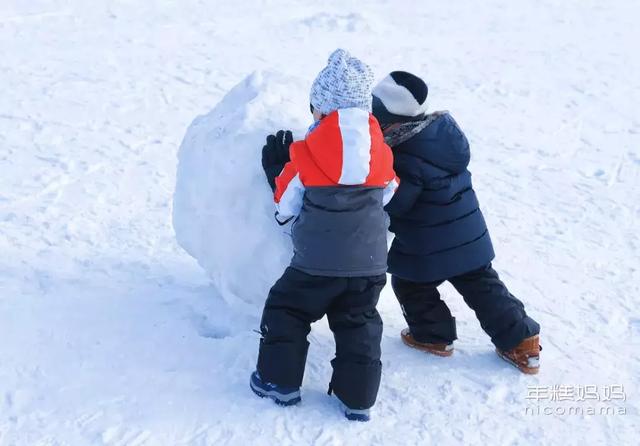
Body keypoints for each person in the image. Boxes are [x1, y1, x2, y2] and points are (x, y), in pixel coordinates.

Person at [250, 49, 399, 421]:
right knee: (358, 321)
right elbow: (390, 191)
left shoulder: (304, 155)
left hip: (314, 264)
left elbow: (286, 205)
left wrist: (277, 170)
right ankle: (358, 398)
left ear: (321, 111)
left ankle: (278, 382)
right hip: (368, 263)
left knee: (287, 310)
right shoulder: (380, 155)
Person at [371, 71, 541, 374]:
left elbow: (397, 203)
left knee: (410, 284)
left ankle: (432, 336)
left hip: (428, 243)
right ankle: (522, 339)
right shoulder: (438, 135)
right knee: (482, 285)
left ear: (393, 122)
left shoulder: (405, 155)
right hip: (468, 233)